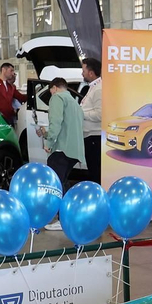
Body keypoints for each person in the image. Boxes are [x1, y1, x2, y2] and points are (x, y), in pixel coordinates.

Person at [39, 77, 84, 230]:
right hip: (74, 150)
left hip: (61, 149)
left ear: (55, 88)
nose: (51, 95)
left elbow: (55, 122)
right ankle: (68, 217)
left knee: (56, 185)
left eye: (50, 92)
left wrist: (48, 142)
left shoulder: (57, 98)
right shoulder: (74, 103)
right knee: (63, 182)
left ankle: (62, 219)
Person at [78, 58, 102, 184]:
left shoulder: (99, 89)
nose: (82, 73)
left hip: (94, 137)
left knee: (96, 173)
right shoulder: (93, 87)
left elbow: (100, 114)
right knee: (93, 172)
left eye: (84, 70)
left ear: (91, 73)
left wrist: (80, 113)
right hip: (89, 136)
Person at [0, 62, 24, 127]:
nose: (12, 73)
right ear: (4, 70)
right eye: (11, 71)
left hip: (10, 119)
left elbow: (21, 97)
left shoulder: (11, 87)